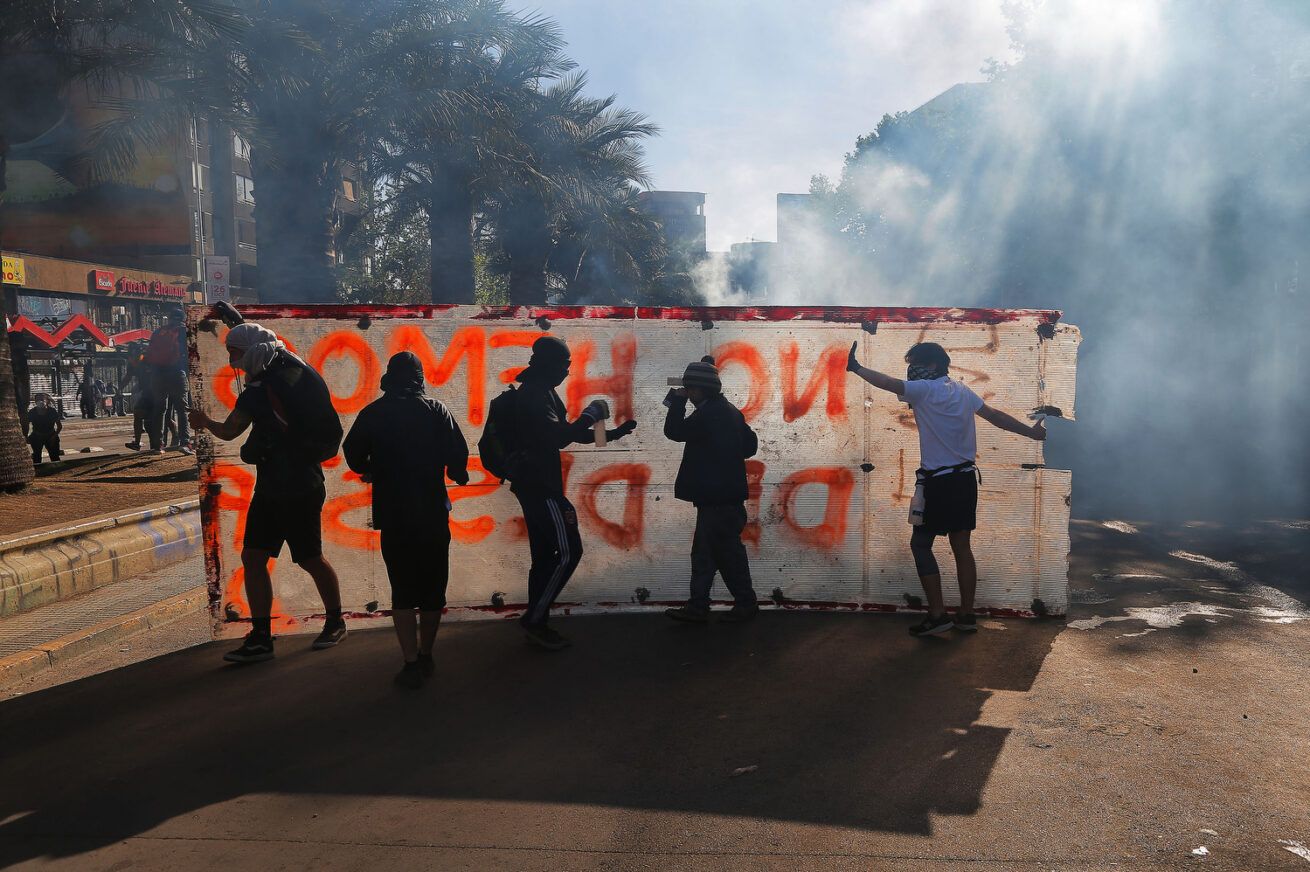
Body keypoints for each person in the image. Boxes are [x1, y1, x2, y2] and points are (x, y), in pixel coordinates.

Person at [846, 340, 1046, 636]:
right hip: (965, 480)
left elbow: (887, 383)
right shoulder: (962, 390)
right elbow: (994, 416)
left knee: (920, 544)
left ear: (932, 365)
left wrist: (857, 368)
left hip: (939, 483)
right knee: (961, 548)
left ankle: (938, 615)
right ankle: (966, 616)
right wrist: (1030, 433)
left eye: (914, 364)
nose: (910, 370)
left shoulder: (924, 391)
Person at [188, 322, 347, 664]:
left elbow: (230, 431)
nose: (232, 360)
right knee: (257, 557)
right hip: (290, 483)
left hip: (293, 487)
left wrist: (203, 422)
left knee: (305, 558)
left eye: (235, 352)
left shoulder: (260, 391)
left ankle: (334, 621)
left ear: (251, 352)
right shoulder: (299, 371)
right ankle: (262, 636)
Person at [343, 351, 470, 688]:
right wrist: (457, 473)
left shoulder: (373, 413)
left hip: (393, 514)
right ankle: (427, 654)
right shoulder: (436, 410)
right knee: (432, 589)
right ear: (419, 377)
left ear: (388, 377)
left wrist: (371, 469)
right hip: (431, 513)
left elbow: (352, 453)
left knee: (401, 590)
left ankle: (409, 661)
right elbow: (458, 453)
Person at [504, 335, 636, 650]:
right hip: (542, 488)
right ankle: (534, 620)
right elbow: (557, 436)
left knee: (544, 558)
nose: (567, 372)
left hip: (534, 485)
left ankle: (538, 621)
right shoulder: (535, 395)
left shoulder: (542, 392)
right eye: (564, 366)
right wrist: (590, 416)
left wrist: (610, 434)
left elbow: (563, 436)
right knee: (568, 552)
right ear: (549, 366)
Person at [662, 356, 761, 623]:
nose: (688, 393)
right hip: (724, 497)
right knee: (708, 553)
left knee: (726, 554)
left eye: (690, 389)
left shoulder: (708, 414)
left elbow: (674, 431)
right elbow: (750, 447)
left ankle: (744, 603)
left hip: (716, 498)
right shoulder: (729, 411)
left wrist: (676, 401)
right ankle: (700, 605)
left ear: (698, 389)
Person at [145, 307, 192, 455]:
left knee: (160, 410)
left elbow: (150, 354)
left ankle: (158, 446)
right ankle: (185, 443)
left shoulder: (157, 332)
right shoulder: (183, 331)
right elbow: (188, 353)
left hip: (157, 375)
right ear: (182, 319)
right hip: (177, 374)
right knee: (182, 409)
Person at [27, 394, 62, 464]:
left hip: (50, 436)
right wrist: (27, 436)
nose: (39, 401)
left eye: (42, 399)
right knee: (37, 458)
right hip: (37, 437)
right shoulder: (32, 412)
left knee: (55, 457)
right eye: (37, 400)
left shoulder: (52, 411)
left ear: (47, 401)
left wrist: (54, 437)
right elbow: (26, 424)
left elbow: (59, 426)